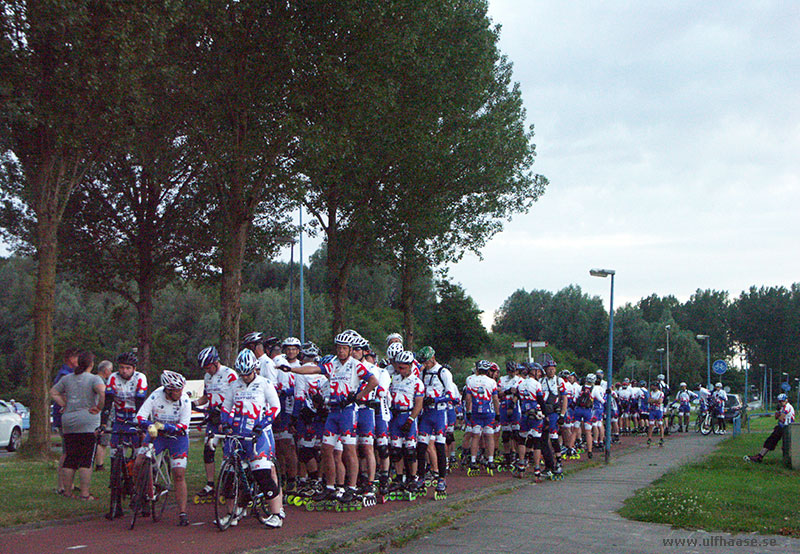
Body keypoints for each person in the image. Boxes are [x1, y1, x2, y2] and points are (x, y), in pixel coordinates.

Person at [287, 332, 378, 506]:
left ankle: (351, 487)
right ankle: (330, 487)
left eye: (345, 348)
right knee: (327, 449)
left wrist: (358, 396)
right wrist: (291, 369)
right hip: (333, 411)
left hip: (348, 411)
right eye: (339, 348)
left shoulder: (356, 365)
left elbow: (373, 381)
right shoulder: (332, 363)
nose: (341, 351)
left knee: (349, 450)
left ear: (350, 349)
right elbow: (313, 369)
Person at [220, 349, 284, 528]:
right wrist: (225, 423)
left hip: (258, 434)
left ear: (254, 369)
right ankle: (232, 513)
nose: (245, 377)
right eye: (242, 374)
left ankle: (276, 514)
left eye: (248, 373)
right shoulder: (234, 385)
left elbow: (275, 407)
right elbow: (226, 407)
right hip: (237, 434)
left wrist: (261, 424)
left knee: (263, 474)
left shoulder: (265, 383)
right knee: (229, 475)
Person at [135, 370, 192, 526]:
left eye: (181, 389)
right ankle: (142, 493)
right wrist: (151, 425)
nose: (180, 393)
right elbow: (140, 417)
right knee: (139, 462)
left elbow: (183, 427)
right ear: (167, 390)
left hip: (177, 438)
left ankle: (182, 512)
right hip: (157, 435)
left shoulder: (185, 400)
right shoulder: (156, 396)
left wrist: (165, 426)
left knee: (179, 474)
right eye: (176, 390)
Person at [49, 350, 105, 500]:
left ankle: (67, 492)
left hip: (69, 421)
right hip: (88, 420)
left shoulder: (67, 379)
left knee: (70, 457)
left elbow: (53, 392)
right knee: (86, 458)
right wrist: (99, 407)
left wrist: (64, 403)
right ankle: (85, 493)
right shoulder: (94, 379)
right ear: (91, 364)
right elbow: (102, 391)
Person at [192, 346, 238, 504]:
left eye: (208, 367)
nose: (207, 370)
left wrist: (224, 412)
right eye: (205, 368)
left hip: (226, 417)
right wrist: (195, 403)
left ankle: (229, 482)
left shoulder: (229, 374)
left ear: (216, 362)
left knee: (229, 451)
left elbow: (236, 396)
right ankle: (210, 484)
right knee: (208, 450)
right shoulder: (207, 376)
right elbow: (206, 396)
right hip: (212, 418)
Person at [417, 346, 454, 498]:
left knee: (439, 446)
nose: (424, 364)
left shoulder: (443, 372)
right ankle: (420, 477)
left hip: (439, 412)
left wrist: (437, 399)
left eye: (426, 361)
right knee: (421, 446)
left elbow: (452, 395)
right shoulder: (423, 372)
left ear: (432, 358)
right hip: (427, 413)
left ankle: (441, 479)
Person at [464, 360, 500, 474]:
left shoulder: (470, 380)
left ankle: (473, 460)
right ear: (488, 370)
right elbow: (495, 399)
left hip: (475, 411)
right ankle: (490, 460)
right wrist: (498, 413)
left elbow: (468, 398)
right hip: (488, 411)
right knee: (489, 436)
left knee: (475, 436)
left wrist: (468, 411)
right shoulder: (492, 382)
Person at [52, 347, 79, 494]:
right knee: (67, 451)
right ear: (70, 359)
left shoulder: (68, 374)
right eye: (76, 359)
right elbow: (61, 394)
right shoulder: (65, 375)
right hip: (64, 418)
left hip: (64, 416)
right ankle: (62, 485)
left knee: (69, 450)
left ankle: (69, 483)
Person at [745, 393, 795, 463]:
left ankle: (761, 456)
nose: (781, 403)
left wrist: (779, 413)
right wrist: (777, 411)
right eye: (780, 401)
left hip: (787, 427)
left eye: (782, 401)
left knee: (785, 444)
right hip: (782, 427)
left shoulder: (787, 407)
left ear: (786, 400)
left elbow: (781, 418)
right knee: (770, 440)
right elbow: (776, 417)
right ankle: (760, 455)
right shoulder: (782, 407)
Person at [93, 360, 114, 471]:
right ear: (106, 370)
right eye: (111, 370)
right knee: (103, 441)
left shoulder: (92, 380)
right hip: (103, 415)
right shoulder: (102, 383)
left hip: (95, 415)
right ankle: (99, 464)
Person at [647, 381, 665, 447]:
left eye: (653, 386)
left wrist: (653, 400)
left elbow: (660, 401)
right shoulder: (651, 393)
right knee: (651, 425)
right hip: (652, 410)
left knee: (660, 424)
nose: (651, 387)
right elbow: (648, 400)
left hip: (659, 410)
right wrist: (655, 401)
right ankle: (649, 438)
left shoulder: (660, 393)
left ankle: (662, 438)